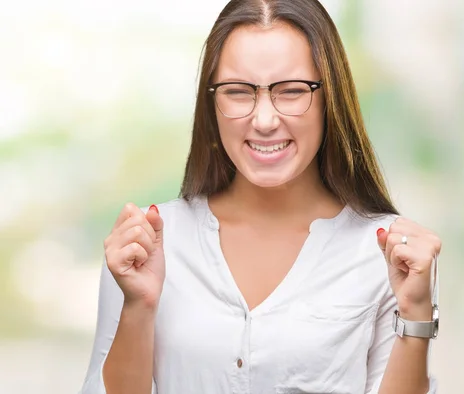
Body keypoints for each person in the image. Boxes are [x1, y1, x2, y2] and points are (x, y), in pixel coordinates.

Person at [80, 0, 441, 393]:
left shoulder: (386, 255)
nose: (265, 120)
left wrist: (417, 315)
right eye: (238, 92)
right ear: (211, 103)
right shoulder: (148, 246)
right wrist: (139, 305)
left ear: (329, 98)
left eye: (291, 91)